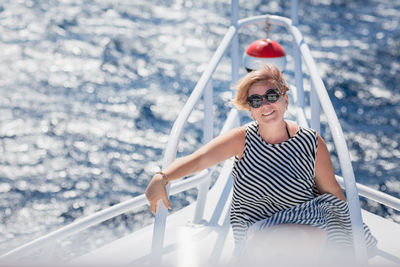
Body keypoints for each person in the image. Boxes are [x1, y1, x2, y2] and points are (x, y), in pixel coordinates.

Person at [145, 64, 376, 261]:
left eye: (272, 96)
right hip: (256, 226)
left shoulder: (311, 142)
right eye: (256, 101)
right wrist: (162, 176)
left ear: (285, 100)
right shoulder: (242, 139)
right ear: (251, 111)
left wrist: (355, 235)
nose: (265, 105)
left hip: (305, 218)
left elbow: (332, 192)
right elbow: (198, 160)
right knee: (268, 250)